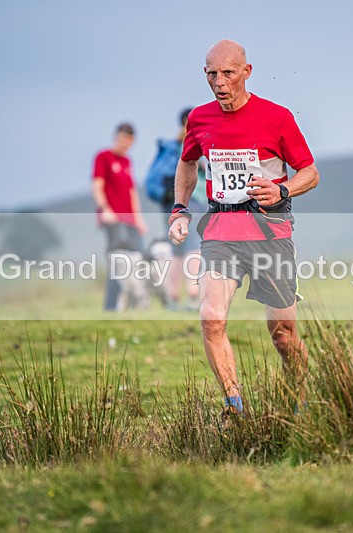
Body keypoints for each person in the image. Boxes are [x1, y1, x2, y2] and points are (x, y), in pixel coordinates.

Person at [168, 39, 320, 417]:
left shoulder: (277, 117)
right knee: (211, 316)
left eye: (228, 73)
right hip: (221, 232)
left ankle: (301, 403)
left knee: (283, 336)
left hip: (270, 233)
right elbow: (188, 163)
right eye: (211, 74)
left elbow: (310, 173)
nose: (219, 82)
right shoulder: (199, 119)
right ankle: (234, 407)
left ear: (246, 72)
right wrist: (180, 208)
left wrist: (281, 189)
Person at [146, 108, 207, 311]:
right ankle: (192, 296)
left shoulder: (169, 147)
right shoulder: (194, 143)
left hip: (170, 204)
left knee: (175, 249)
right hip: (193, 201)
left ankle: (172, 298)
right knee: (193, 248)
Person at [91, 122, 147, 311]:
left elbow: (132, 192)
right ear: (116, 137)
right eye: (123, 140)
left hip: (130, 219)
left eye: (129, 141)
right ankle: (111, 306)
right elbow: (97, 185)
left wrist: (139, 219)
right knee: (119, 261)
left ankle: (134, 304)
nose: (125, 144)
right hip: (112, 218)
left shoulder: (127, 161)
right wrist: (105, 208)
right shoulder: (103, 157)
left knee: (138, 258)